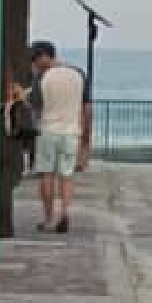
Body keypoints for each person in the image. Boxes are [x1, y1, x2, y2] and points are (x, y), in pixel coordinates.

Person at [30, 40, 92, 235]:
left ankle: (49, 219)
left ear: (44, 56)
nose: (34, 62)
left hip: (48, 131)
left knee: (46, 175)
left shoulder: (42, 77)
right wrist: (86, 136)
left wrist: (34, 78)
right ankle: (64, 213)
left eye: (35, 58)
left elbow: (35, 105)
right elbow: (87, 107)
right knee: (67, 176)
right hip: (71, 132)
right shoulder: (78, 74)